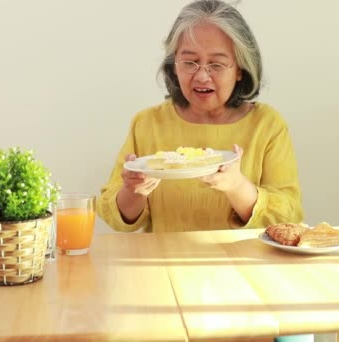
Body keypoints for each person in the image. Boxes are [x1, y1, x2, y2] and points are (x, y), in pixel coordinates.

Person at [97, 0, 303, 233]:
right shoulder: (147, 123)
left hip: (244, 265)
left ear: (239, 70)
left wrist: (237, 186)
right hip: (163, 263)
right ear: (174, 65)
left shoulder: (267, 124)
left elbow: (288, 219)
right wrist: (133, 190)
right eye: (190, 62)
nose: (202, 76)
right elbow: (115, 217)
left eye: (216, 64)